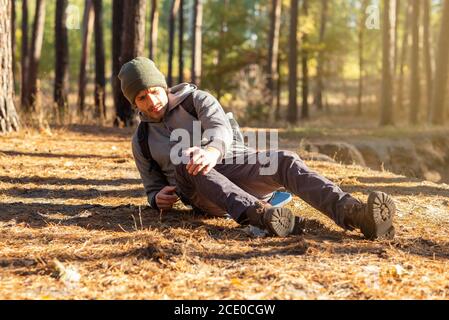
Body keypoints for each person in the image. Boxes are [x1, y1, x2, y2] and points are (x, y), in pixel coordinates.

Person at [118, 57, 396, 239]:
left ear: (163, 86)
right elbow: (151, 186)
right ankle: (261, 215)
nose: (151, 100)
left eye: (154, 90)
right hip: (201, 191)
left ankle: (355, 214)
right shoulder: (142, 139)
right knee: (187, 159)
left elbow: (219, 129)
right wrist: (157, 199)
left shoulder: (196, 100)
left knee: (284, 160)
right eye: (141, 97)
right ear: (135, 103)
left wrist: (212, 151)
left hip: (233, 164)